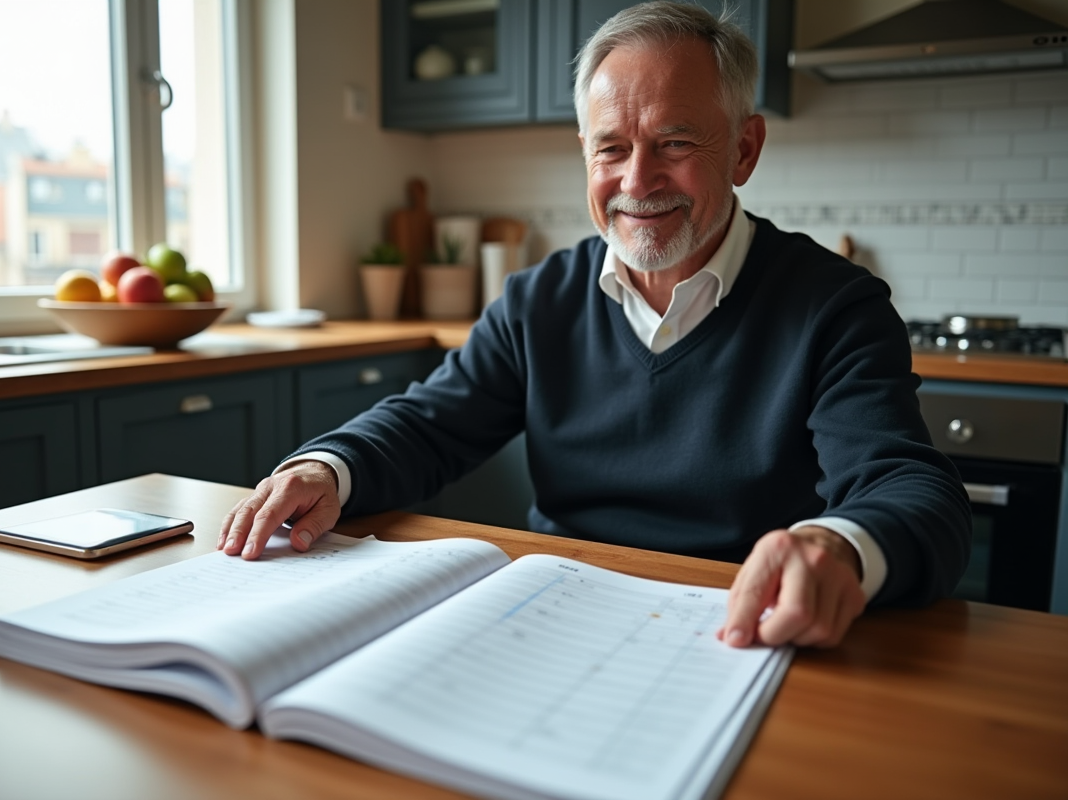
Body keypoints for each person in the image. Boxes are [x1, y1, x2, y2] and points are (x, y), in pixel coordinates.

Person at [217, 1, 971, 649]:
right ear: (585, 153)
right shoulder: (537, 299)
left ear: (743, 149)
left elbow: (909, 487)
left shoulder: (837, 307)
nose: (637, 182)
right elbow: (427, 424)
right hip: (551, 619)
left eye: (675, 144)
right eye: (611, 148)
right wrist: (327, 467)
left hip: (737, 631)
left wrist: (835, 545)